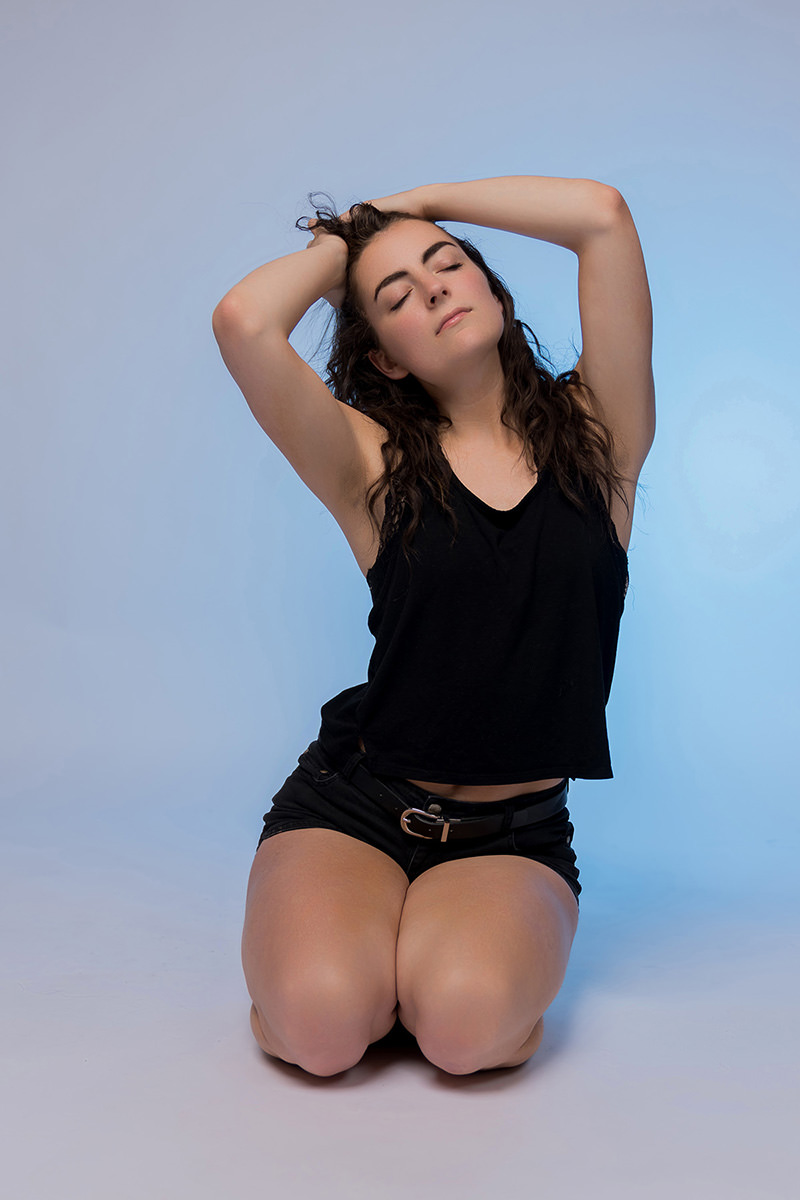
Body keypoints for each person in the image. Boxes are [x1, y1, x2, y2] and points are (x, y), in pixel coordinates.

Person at [212, 175, 655, 1078]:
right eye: (397, 297)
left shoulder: (600, 433)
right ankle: (358, 971)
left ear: (490, 285)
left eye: (447, 264)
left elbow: (602, 217)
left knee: (462, 1034)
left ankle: (424, 965)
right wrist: (349, 239)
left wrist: (421, 202)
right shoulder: (366, 461)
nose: (436, 288)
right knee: (323, 1033)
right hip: (358, 804)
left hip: (515, 831)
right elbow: (243, 321)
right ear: (387, 359)